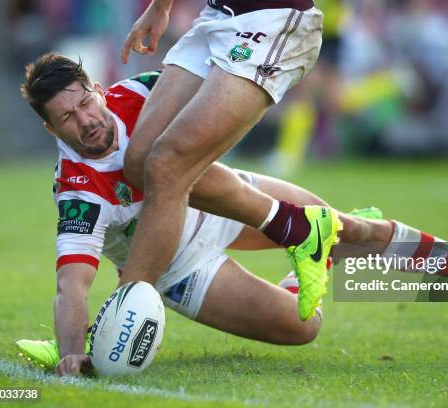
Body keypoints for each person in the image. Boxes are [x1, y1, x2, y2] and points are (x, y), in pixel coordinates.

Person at [16, 54, 448, 377]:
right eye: (66, 118)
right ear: (51, 130)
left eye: (84, 101)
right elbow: (73, 285)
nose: (85, 120)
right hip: (182, 268)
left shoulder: (145, 93)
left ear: (94, 87)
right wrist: (70, 354)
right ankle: (313, 249)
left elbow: (221, 87)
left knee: (364, 231)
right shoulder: (79, 192)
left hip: (226, 199)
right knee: (305, 327)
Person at [118, 0, 336, 323]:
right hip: (219, 15)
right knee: (139, 163)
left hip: (271, 18)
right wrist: (159, 8)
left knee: (166, 166)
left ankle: (119, 321)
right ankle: (300, 229)